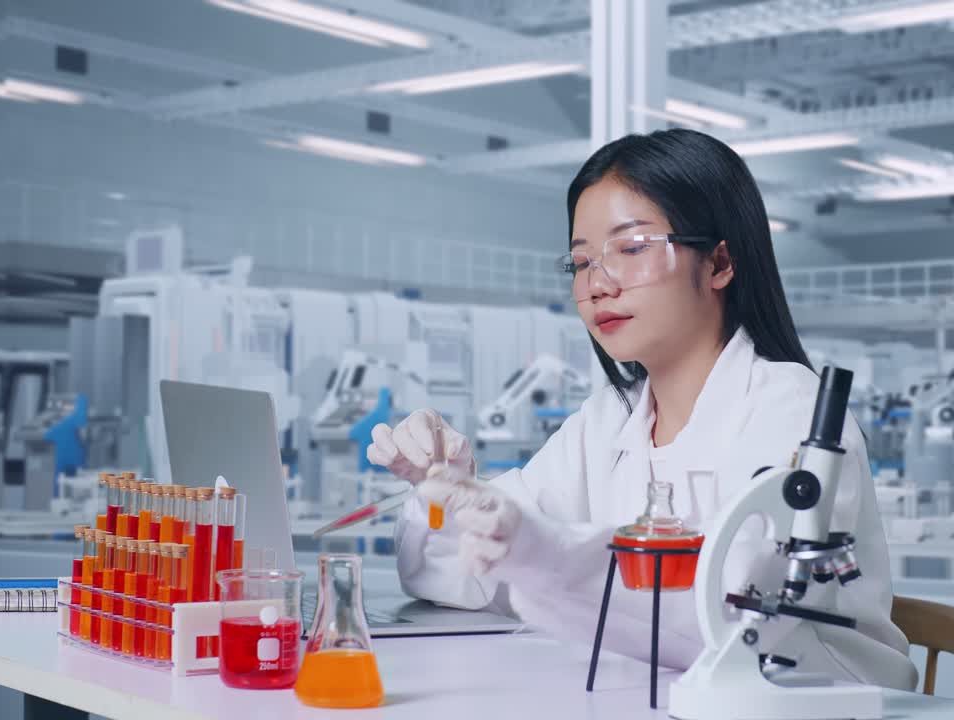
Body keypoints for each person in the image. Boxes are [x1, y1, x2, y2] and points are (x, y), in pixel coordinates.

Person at [368, 128, 918, 690]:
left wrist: (542, 554)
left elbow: (734, 620)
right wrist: (447, 499)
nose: (597, 285)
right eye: (580, 263)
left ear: (719, 262)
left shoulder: (791, 412)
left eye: (631, 249)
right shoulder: (608, 422)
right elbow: (452, 575)